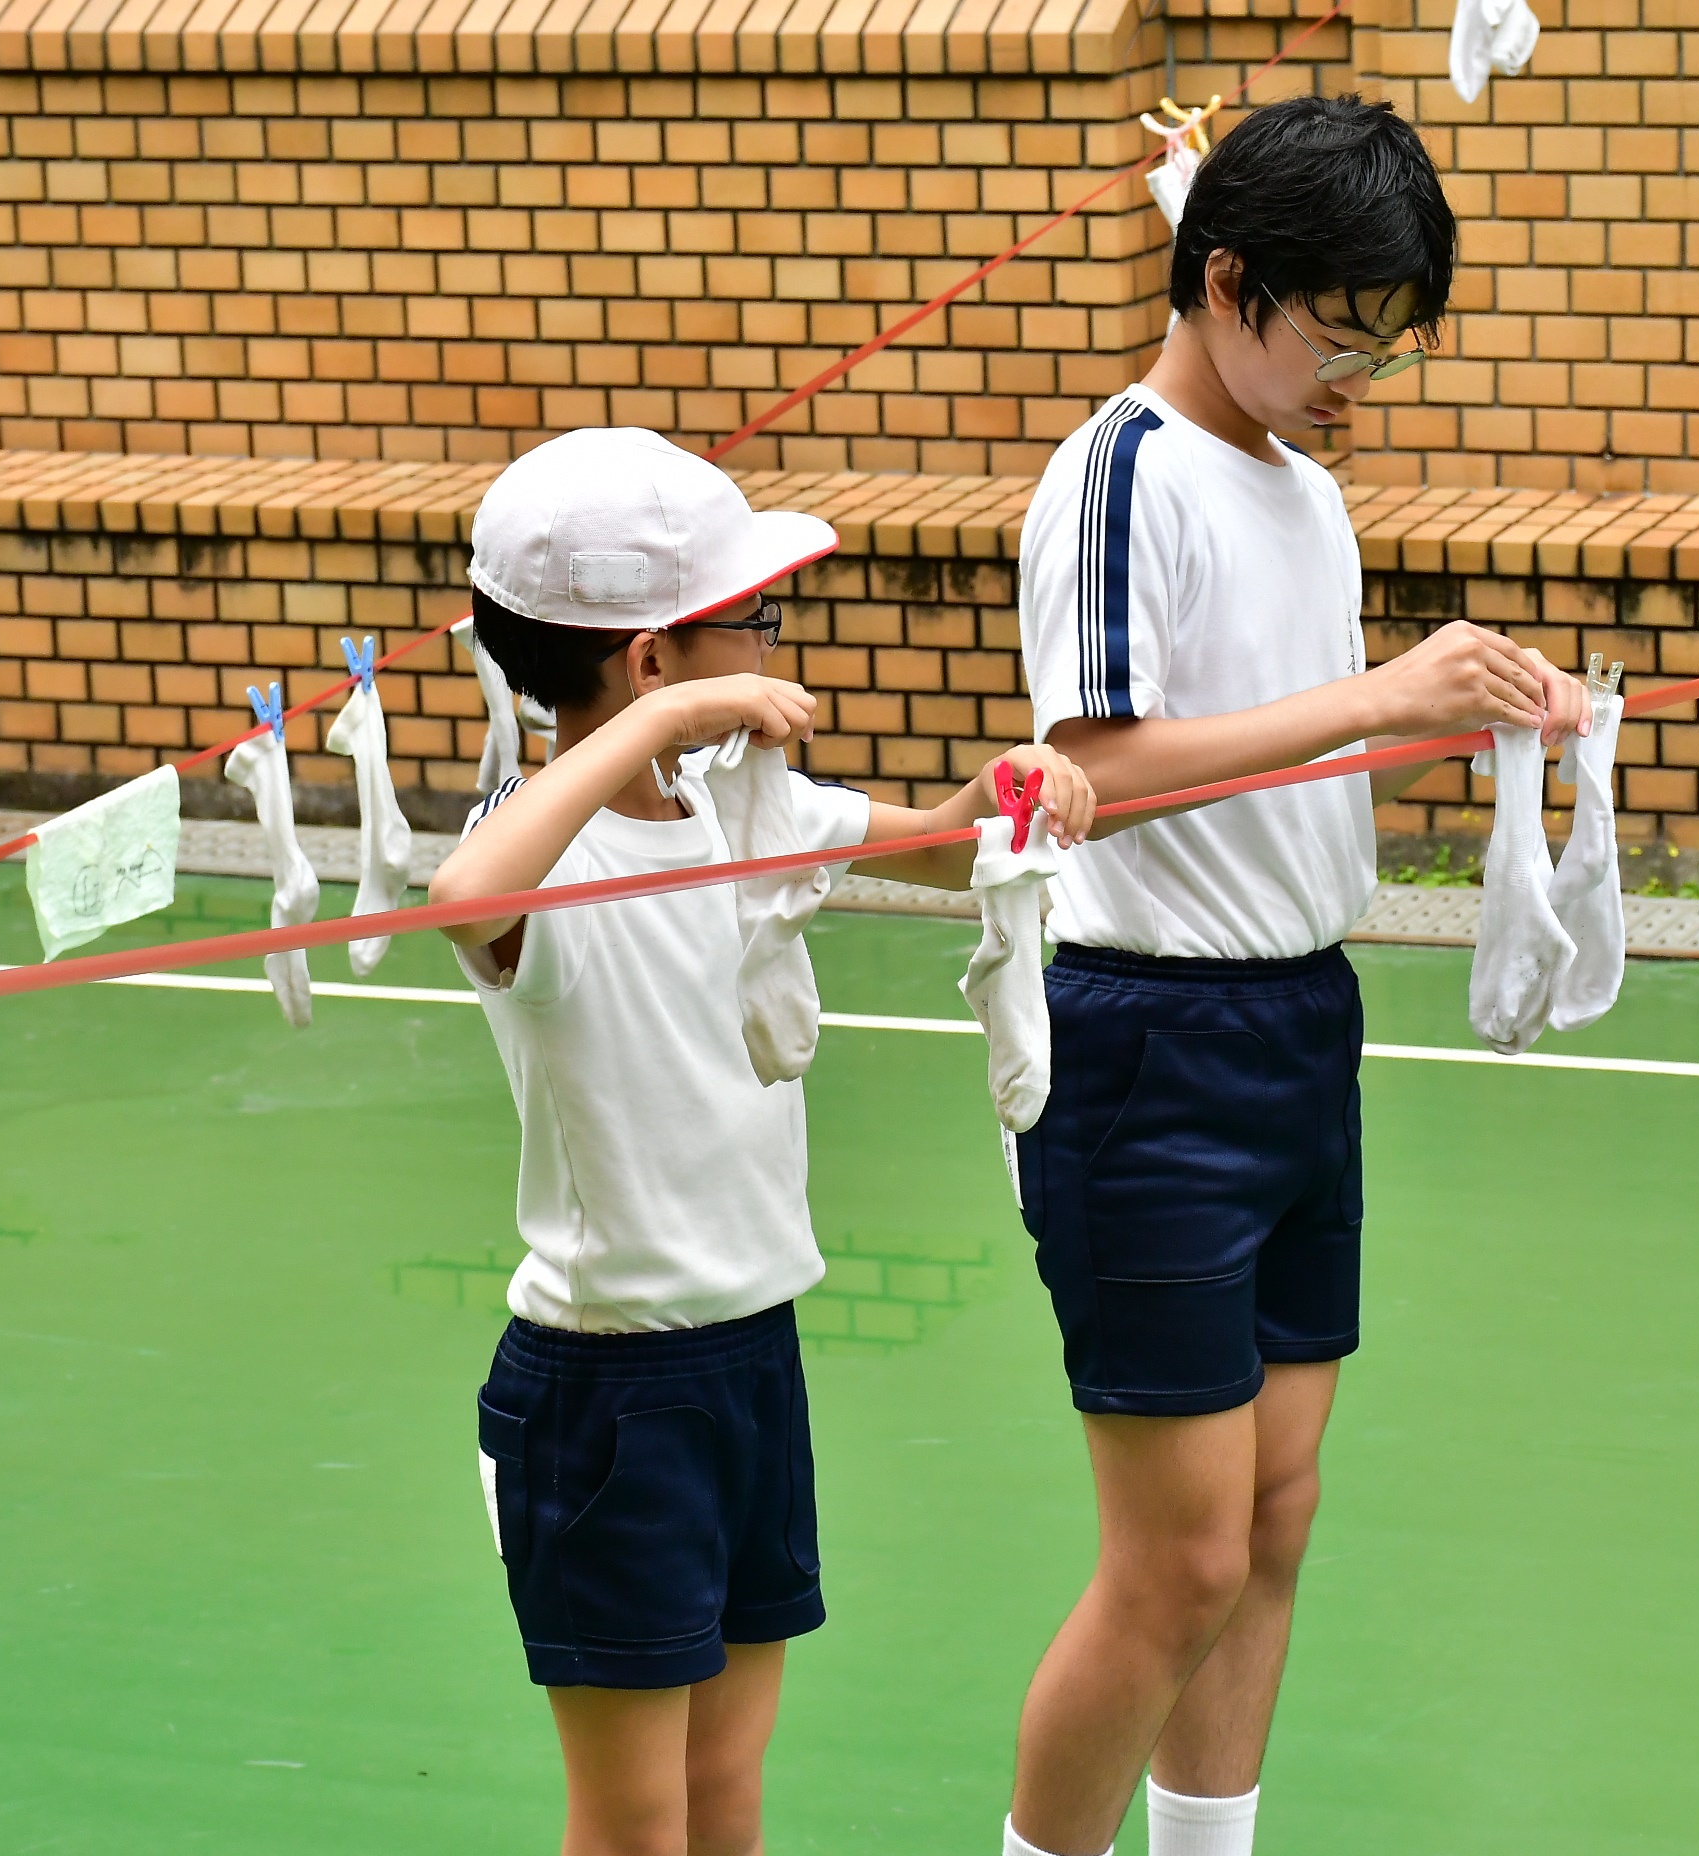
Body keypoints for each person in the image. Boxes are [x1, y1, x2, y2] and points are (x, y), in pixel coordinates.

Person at [1002, 96, 1587, 1856]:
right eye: (1341, 336)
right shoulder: (1120, 474)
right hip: (1147, 1045)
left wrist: (1485, 715)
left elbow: (1286, 748)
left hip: (1299, 1025)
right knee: (1176, 1562)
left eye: (1388, 347)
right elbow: (1094, 769)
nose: (1359, 381)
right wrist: (1385, 695)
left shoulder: (1306, 490)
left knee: (1271, 1521)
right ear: (1227, 282)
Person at [426, 426, 1096, 1856]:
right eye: (755, 620)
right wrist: (660, 726)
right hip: (608, 1394)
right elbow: (466, 899)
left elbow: (939, 842)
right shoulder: (544, 847)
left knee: (726, 1791)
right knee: (634, 1820)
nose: (777, 643)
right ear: (653, 663)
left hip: (746, 1360)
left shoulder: (743, 805)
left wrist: (1014, 787)